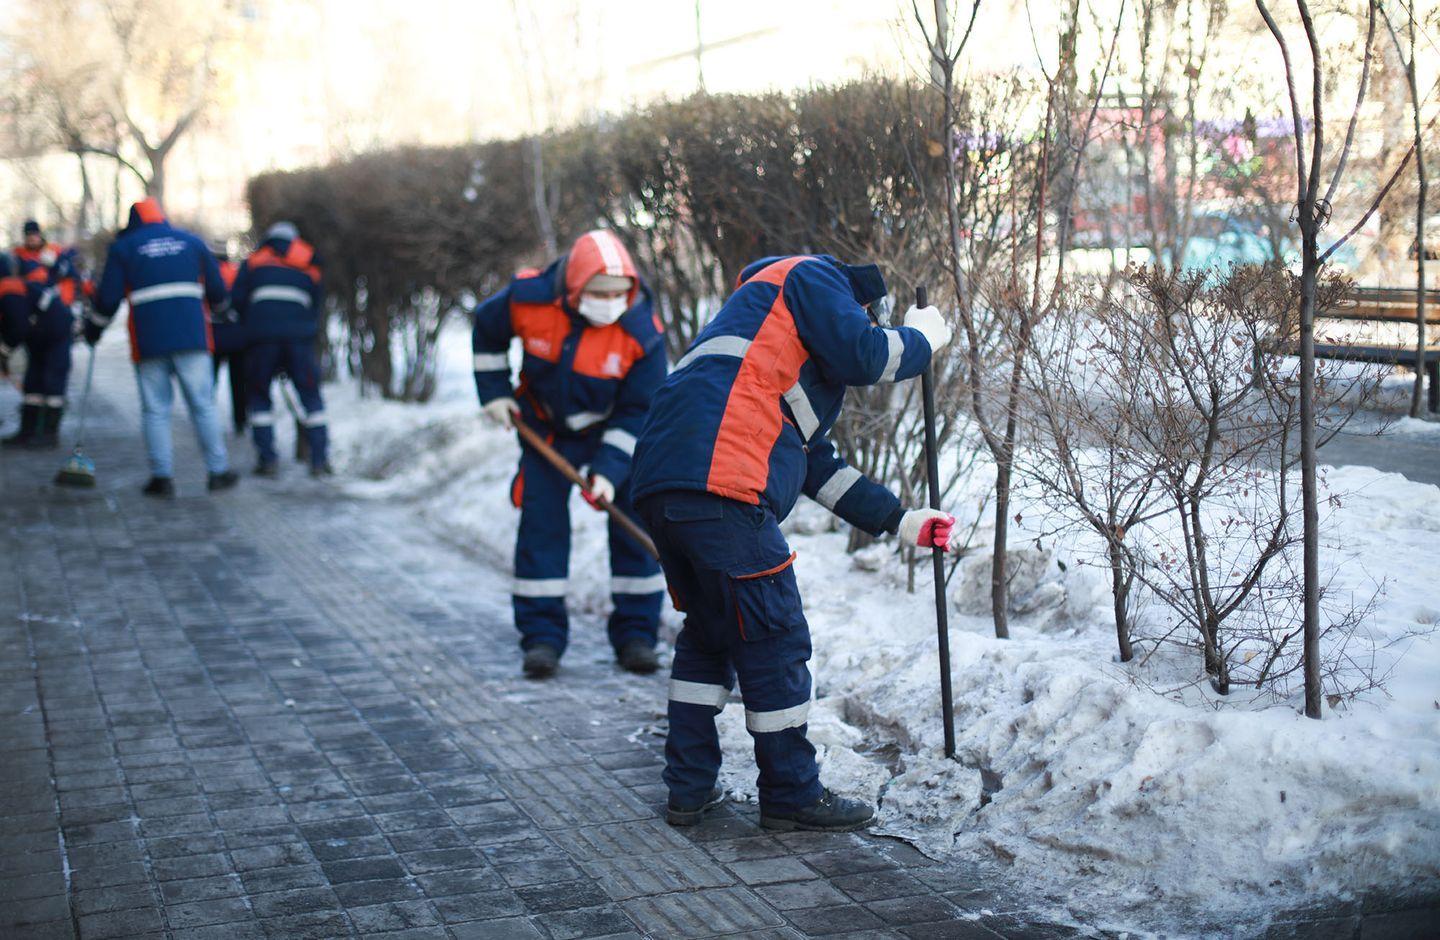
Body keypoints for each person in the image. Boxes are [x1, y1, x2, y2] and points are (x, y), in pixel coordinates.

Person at [629, 254, 955, 832]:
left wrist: (902, 521)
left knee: (711, 634)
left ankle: (688, 789)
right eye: (863, 316)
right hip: (723, 484)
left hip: (667, 486)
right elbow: (868, 355)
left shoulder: (762, 353)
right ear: (855, 306)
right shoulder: (810, 275)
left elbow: (817, 469)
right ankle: (791, 794)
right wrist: (922, 340)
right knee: (775, 636)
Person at [473, 230, 668, 679]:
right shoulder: (528, 299)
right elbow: (486, 330)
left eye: (620, 294)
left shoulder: (642, 331)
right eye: (600, 294)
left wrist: (609, 468)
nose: (610, 303)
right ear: (576, 288)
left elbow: (642, 410)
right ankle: (541, 638)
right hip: (545, 428)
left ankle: (637, 635)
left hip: (614, 429)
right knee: (541, 527)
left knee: (634, 521)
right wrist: (494, 392)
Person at [87, 198, 238, 496]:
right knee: (203, 404)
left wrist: (94, 328)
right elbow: (218, 292)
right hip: (192, 337)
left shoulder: (124, 248)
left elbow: (107, 299)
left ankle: (162, 478)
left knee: (155, 410)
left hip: (149, 340)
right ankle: (218, 471)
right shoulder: (191, 242)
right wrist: (224, 310)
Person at [230, 221, 330, 477]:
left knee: (260, 396)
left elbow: (237, 301)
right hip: (298, 340)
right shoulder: (309, 263)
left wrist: (252, 324)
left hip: (262, 340)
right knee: (310, 396)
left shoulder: (253, 263)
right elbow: (316, 305)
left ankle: (268, 460)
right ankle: (319, 460)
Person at [3, 221, 90, 448]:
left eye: (35, 235)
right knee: (33, 378)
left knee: (53, 379)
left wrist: (5, 350)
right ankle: (28, 431)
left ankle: (49, 435)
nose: (32, 238)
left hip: (57, 325)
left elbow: (16, 325)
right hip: (38, 327)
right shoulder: (18, 258)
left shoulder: (55, 255)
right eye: (28, 235)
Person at [209, 245, 248, 435]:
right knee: (238, 382)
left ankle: (206, 419)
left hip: (214, 336)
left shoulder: (208, 273)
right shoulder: (237, 271)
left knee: (210, 382)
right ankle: (240, 421)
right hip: (237, 336)